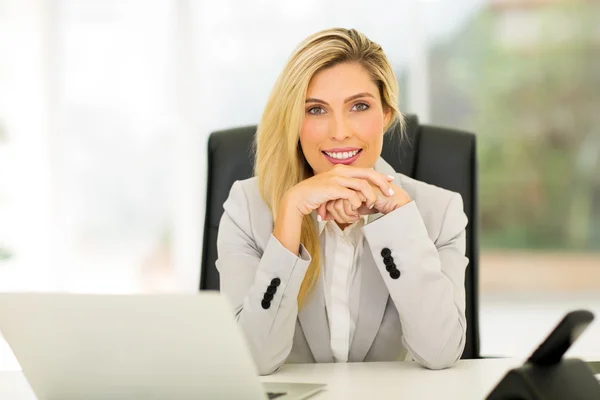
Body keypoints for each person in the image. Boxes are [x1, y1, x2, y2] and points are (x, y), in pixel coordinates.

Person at [216, 28, 468, 375]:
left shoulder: (439, 212)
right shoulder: (247, 207)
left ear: (386, 116)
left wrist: (398, 219)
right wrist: (289, 218)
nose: (339, 131)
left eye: (359, 106)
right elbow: (250, 361)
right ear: (294, 122)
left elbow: (440, 352)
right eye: (316, 110)